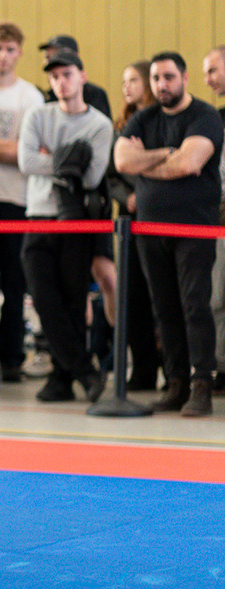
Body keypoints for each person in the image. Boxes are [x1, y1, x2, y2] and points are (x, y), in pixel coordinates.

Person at [115, 51, 223, 416]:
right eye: (157, 78)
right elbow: (122, 161)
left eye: (169, 77)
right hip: (150, 228)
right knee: (164, 307)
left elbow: (191, 162)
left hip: (194, 225)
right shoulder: (144, 118)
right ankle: (175, 382)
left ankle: (202, 385)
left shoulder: (205, 116)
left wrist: (148, 164)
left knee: (195, 305)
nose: (162, 84)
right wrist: (168, 155)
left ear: (185, 77)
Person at [19, 49, 113, 403]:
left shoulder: (100, 124)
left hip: (77, 220)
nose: (61, 81)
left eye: (67, 74)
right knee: (43, 297)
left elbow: (90, 176)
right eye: (55, 76)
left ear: (82, 76)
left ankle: (61, 378)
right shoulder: (37, 114)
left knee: (73, 300)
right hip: (38, 215)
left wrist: (50, 155)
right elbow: (26, 162)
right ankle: (86, 372)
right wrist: (68, 158)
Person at [0, 22, 45, 383]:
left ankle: (13, 357)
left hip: (16, 199)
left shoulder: (30, 96)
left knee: (14, 282)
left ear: (19, 53)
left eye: (11, 49)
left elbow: (29, 152)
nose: (4, 56)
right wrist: (3, 149)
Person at [108, 60, 160, 390]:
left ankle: (173, 369)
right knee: (133, 297)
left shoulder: (162, 122)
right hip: (129, 222)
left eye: (133, 80)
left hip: (160, 218)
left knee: (164, 296)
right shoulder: (121, 127)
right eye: (123, 81)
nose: (126, 87)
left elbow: (170, 162)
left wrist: (145, 190)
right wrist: (127, 196)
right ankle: (142, 368)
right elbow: (112, 175)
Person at [202, 45, 225, 394]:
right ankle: (221, 365)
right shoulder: (212, 117)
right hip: (219, 212)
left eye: (214, 70)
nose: (208, 80)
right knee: (217, 296)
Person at [37, 35, 111, 117]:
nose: (51, 61)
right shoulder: (47, 97)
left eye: (58, 55)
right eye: (47, 57)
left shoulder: (95, 94)